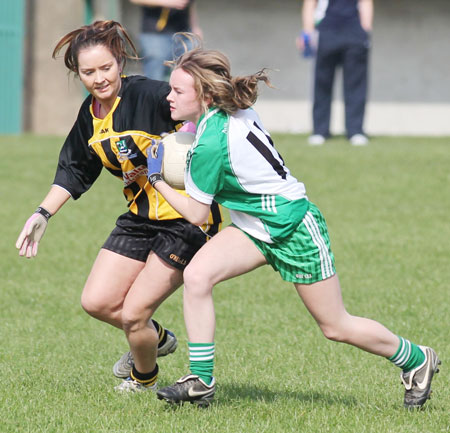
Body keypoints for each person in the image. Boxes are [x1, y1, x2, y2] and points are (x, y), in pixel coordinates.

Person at [143, 41, 440, 408]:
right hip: (255, 226)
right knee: (198, 276)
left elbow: (197, 215)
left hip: (294, 227)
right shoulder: (228, 110)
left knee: (335, 326)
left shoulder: (210, 145)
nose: (168, 96)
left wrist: (155, 177)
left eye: (177, 90)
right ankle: (201, 380)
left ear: (204, 95)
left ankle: (417, 359)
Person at [15, 21, 221, 393]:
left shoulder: (150, 96)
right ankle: (157, 340)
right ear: (77, 73)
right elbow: (74, 170)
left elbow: (200, 107)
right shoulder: (90, 115)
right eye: (88, 72)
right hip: (140, 219)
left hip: (185, 222)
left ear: (120, 62)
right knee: (96, 302)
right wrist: (41, 214)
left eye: (106, 68)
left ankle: (143, 377)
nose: (99, 79)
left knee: (133, 314)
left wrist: (190, 133)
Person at [297, 0, 373, 146]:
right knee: (321, 84)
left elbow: (366, 2)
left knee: (356, 84)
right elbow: (310, 4)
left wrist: (365, 31)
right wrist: (307, 32)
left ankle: (356, 131)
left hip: (354, 32)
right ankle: (320, 131)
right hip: (325, 31)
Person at [130, 0, 202, 80]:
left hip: (183, 32)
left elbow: (190, 5)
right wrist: (166, 2)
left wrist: (195, 27)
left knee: (191, 70)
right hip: (155, 34)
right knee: (155, 76)